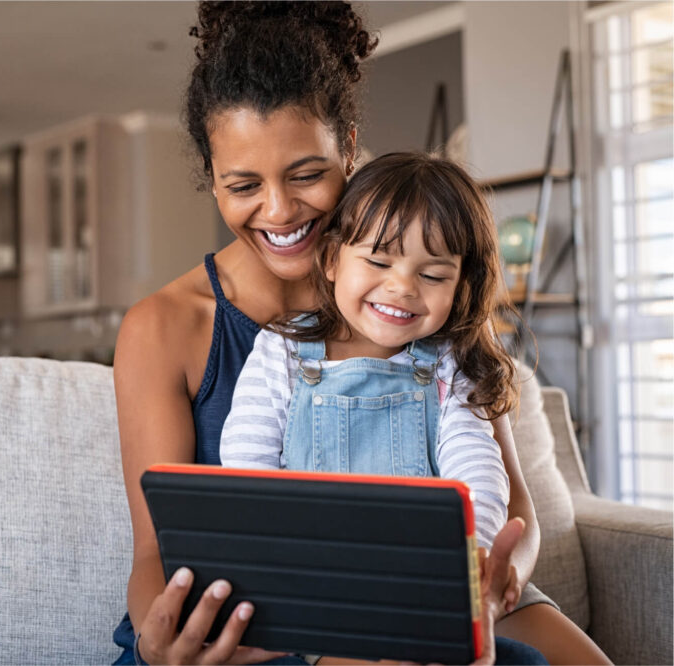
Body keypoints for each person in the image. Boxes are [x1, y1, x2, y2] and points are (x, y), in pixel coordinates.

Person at [113, 2, 610, 664]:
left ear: (347, 145)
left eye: (308, 174)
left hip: (439, 593)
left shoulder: (409, 297)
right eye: (242, 185)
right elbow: (154, 551)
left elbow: (511, 503)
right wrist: (165, 641)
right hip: (253, 615)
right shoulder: (165, 326)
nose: (281, 210)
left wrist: (491, 582)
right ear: (211, 178)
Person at [218, 151, 527, 660]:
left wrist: (474, 550)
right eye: (379, 262)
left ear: (459, 285)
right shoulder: (282, 350)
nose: (402, 287)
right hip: (318, 583)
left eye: (433, 275)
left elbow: (477, 463)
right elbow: (248, 465)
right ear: (333, 259)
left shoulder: (450, 363)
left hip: (424, 581)